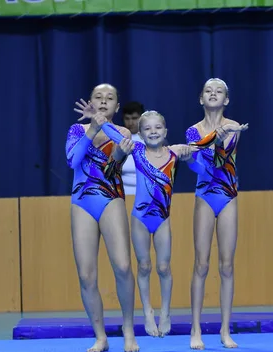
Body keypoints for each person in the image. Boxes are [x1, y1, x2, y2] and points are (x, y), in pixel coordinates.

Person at [81, 106, 204, 338]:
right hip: (139, 218)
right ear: (140, 132)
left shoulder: (174, 152)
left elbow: (200, 166)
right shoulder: (136, 150)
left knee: (164, 267)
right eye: (147, 128)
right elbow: (115, 135)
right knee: (145, 266)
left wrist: (190, 158)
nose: (153, 131)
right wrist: (97, 119)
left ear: (166, 130)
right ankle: (147, 311)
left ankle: (165, 312)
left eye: (158, 127)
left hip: (162, 219)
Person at [65, 83, 139, 352]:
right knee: (86, 274)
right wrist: (92, 128)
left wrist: (117, 146)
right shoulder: (77, 130)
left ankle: (128, 330)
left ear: (117, 107)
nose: (104, 101)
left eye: (110, 99)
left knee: (122, 266)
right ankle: (100, 336)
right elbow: (73, 161)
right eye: (98, 97)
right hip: (82, 202)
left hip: (110, 198)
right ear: (90, 102)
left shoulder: (121, 132)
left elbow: (114, 166)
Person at [184, 78, 249, 350]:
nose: (213, 94)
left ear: (226, 99)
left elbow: (222, 161)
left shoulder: (234, 127)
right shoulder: (192, 131)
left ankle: (225, 329)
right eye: (208, 91)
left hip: (228, 196)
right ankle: (195, 329)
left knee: (226, 265)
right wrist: (209, 144)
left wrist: (216, 144)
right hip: (205, 196)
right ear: (201, 99)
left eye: (218, 91)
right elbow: (200, 169)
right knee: (201, 264)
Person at [121, 102, 146, 195]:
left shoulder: (153, 139)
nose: (130, 123)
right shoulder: (117, 139)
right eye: (127, 119)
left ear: (142, 118)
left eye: (134, 118)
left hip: (148, 193)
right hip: (122, 193)